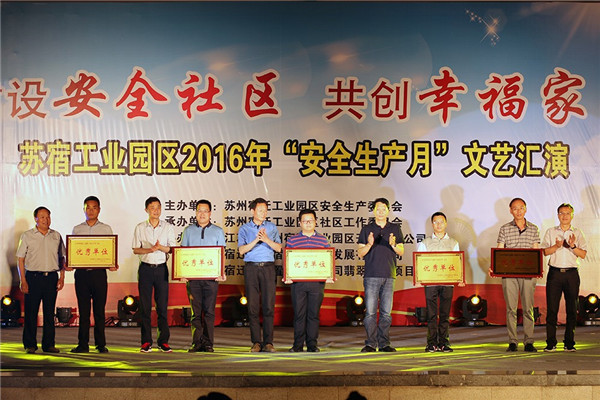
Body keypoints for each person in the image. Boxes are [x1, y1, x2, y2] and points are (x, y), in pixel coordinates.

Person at [69, 196, 118, 354]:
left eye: (94, 207)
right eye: (88, 207)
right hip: (81, 275)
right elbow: (73, 252)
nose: (91, 210)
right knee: (83, 311)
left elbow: (109, 250)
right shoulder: (77, 229)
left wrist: (112, 263)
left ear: (99, 209)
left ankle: (100, 344)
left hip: (99, 274)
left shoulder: (106, 229)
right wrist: (70, 263)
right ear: (84, 209)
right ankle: (82, 344)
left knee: (99, 311)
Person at [16, 206, 66, 354]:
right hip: (33, 277)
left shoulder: (56, 235)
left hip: (51, 278)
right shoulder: (27, 236)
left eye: (48, 216)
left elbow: (62, 258)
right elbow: (20, 259)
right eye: (42, 217)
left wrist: (62, 277)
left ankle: (49, 345)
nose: (46, 220)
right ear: (36, 219)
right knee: (31, 313)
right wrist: (23, 280)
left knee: (49, 313)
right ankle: (30, 344)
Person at [357, 197, 404, 352]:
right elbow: (360, 253)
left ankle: (384, 344)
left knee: (386, 313)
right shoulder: (366, 229)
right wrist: (370, 244)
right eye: (378, 209)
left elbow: (401, 251)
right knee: (370, 313)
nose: (381, 211)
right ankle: (370, 343)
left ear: (388, 210)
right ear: (373, 211)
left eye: (384, 209)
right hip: (371, 275)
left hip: (389, 275)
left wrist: (393, 245)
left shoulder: (395, 228)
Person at [495, 197, 540, 352]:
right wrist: (494, 266)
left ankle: (529, 341)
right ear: (510, 210)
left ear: (525, 209)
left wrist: (537, 268)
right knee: (511, 309)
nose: (518, 211)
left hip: (528, 274)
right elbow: (499, 250)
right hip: (509, 274)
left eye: (521, 208)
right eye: (515, 208)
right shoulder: (505, 228)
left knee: (528, 308)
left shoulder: (533, 228)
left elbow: (536, 251)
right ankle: (512, 341)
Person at [181, 200, 226, 353]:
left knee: (209, 312)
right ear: (195, 212)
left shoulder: (218, 231)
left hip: (211, 279)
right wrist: (182, 273)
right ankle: (196, 342)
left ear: (210, 213)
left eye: (205, 211)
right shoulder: (188, 231)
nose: (202, 214)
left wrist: (221, 272)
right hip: (193, 279)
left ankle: (208, 343)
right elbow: (183, 253)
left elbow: (221, 254)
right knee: (195, 312)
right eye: (199, 210)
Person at [132, 196, 176, 353]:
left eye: (158, 207)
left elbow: (172, 249)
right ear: (146, 210)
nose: (156, 210)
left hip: (161, 269)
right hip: (145, 269)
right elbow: (136, 249)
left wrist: (160, 247)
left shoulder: (167, 227)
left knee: (162, 307)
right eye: (152, 208)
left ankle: (163, 341)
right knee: (145, 307)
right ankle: (146, 342)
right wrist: (149, 250)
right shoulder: (140, 227)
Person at [237, 197, 282, 352]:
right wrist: (256, 240)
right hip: (251, 268)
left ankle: (268, 342)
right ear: (252, 211)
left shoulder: (271, 227)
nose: (264, 213)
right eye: (260, 210)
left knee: (269, 306)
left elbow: (279, 248)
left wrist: (266, 239)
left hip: (268, 268)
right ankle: (256, 342)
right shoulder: (244, 229)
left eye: (265, 210)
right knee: (253, 307)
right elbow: (241, 250)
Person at [542, 203, 587, 352]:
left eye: (567, 213)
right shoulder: (551, 231)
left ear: (572, 215)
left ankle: (569, 342)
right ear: (558, 215)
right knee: (552, 309)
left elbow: (583, 254)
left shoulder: (578, 232)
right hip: (554, 273)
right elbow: (545, 252)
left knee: (572, 310)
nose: (565, 216)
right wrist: (557, 246)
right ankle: (551, 343)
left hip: (571, 274)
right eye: (562, 213)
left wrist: (573, 246)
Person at [286, 209, 331, 353]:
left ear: (316, 221)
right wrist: (287, 275)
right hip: (298, 283)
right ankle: (297, 345)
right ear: (300, 223)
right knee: (299, 315)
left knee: (313, 315)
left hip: (317, 283)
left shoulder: (323, 240)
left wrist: (329, 274)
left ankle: (312, 345)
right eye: (305, 221)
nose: (308, 223)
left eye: (310, 220)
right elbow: (288, 259)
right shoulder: (292, 240)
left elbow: (328, 259)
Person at [416, 212, 461, 353]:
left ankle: (444, 342)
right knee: (431, 314)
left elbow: (457, 263)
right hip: (430, 283)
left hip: (447, 282)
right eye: (436, 222)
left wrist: (459, 278)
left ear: (446, 223)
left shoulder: (453, 242)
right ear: (432, 224)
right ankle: (431, 343)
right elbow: (419, 263)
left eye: (441, 222)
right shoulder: (425, 243)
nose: (439, 225)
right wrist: (418, 279)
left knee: (445, 314)